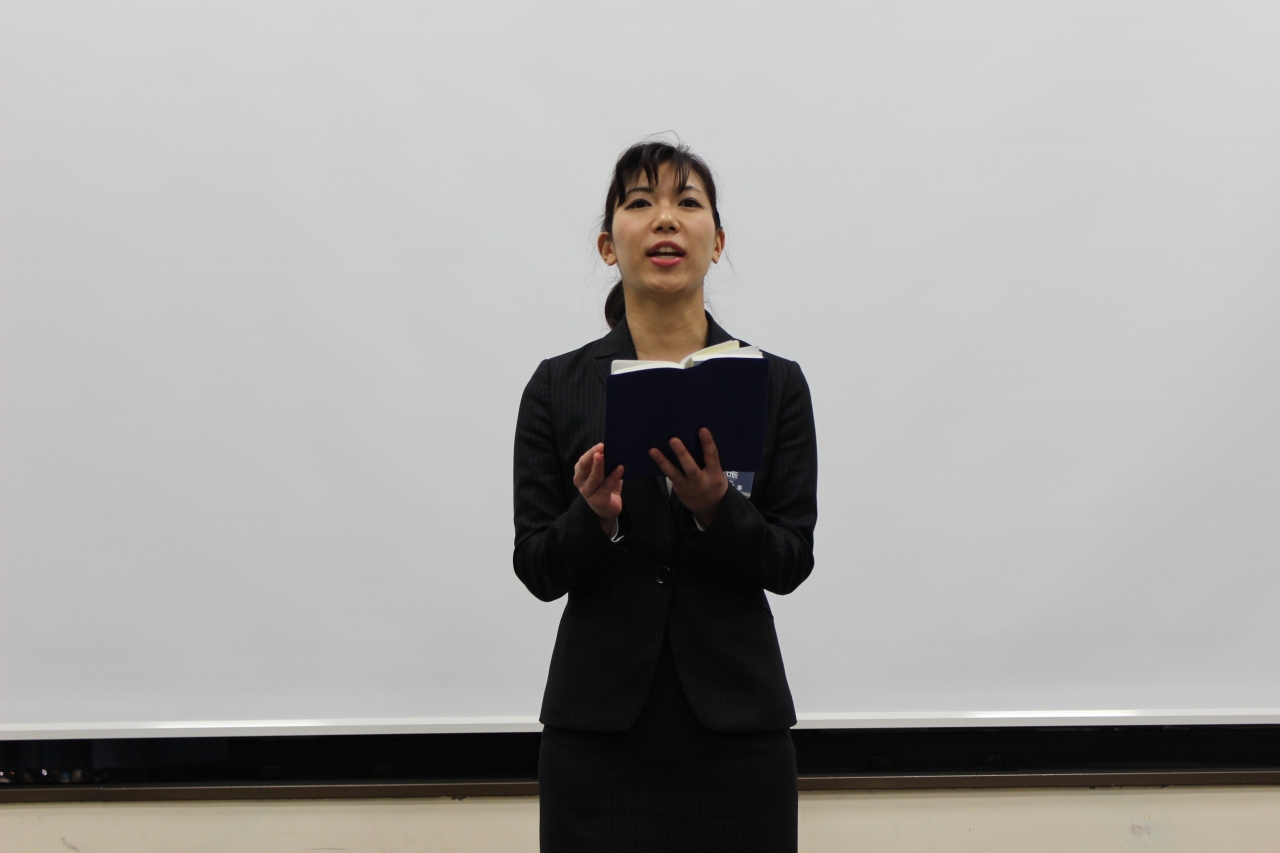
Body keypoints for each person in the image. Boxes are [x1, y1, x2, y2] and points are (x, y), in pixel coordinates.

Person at [512, 140, 818, 852]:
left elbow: (790, 561)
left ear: (718, 241)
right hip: (597, 738)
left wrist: (718, 509)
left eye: (687, 202)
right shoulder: (558, 387)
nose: (665, 220)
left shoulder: (774, 384)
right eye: (640, 202)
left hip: (739, 735)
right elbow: (536, 567)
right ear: (607, 244)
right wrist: (592, 517)